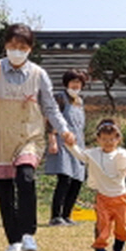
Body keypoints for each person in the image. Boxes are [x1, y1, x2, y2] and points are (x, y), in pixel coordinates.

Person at [0, 23, 75, 251]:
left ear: (30, 48)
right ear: (5, 45)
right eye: (12, 45)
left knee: (26, 177)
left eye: (22, 46)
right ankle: (14, 240)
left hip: (28, 136)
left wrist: (64, 130)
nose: (16, 50)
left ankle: (29, 234)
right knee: (5, 190)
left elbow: (50, 107)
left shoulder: (39, 74)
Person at [64, 119, 126, 251]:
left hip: (121, 197)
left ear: (118, 139)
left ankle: (120, 240)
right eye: (104, 139)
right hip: (103, 197)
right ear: (98, 139)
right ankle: (100, 248)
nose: (108, 142)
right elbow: (81, 155)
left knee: (122, 225)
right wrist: (71, 145)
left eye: (112, 139)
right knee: (102, 224)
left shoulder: (121, 155)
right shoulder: (93, 154)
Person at [45, 69, 88, 226]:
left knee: (77, 180)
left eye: (79, 82)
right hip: (62, 143)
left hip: (78, 145)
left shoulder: (80, 101)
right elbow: (51, 119)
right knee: (65, 179)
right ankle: (55, 216)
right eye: (73, 82)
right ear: (66, 83)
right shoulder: (60, 98)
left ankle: (67, 215)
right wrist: (52, 140)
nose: (76, 85)